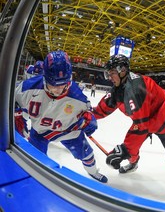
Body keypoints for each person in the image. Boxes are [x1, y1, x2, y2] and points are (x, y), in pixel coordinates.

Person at [91, 54, 165, 207]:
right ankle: (133, 163)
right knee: (132, 147)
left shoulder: (136, 89)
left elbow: (141, 126)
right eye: (108, 73)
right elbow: (103, 109)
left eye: (112, 73)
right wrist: (86, 116)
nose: (109, 77)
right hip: (146, 120)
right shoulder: (119, 87)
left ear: (122, 70)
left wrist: (123, 150)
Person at [14, 50, 107, 183]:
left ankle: (94, 172)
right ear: (44, 77)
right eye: (53, 85)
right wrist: (15, 113)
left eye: (63, 84)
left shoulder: (78, 98)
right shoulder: (27, 89)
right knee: (35, 162)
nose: (58, 90)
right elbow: (12, 102)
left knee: (87, 155)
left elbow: (89, 116)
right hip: (41, 133)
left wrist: (90, 121)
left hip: (69, 132)